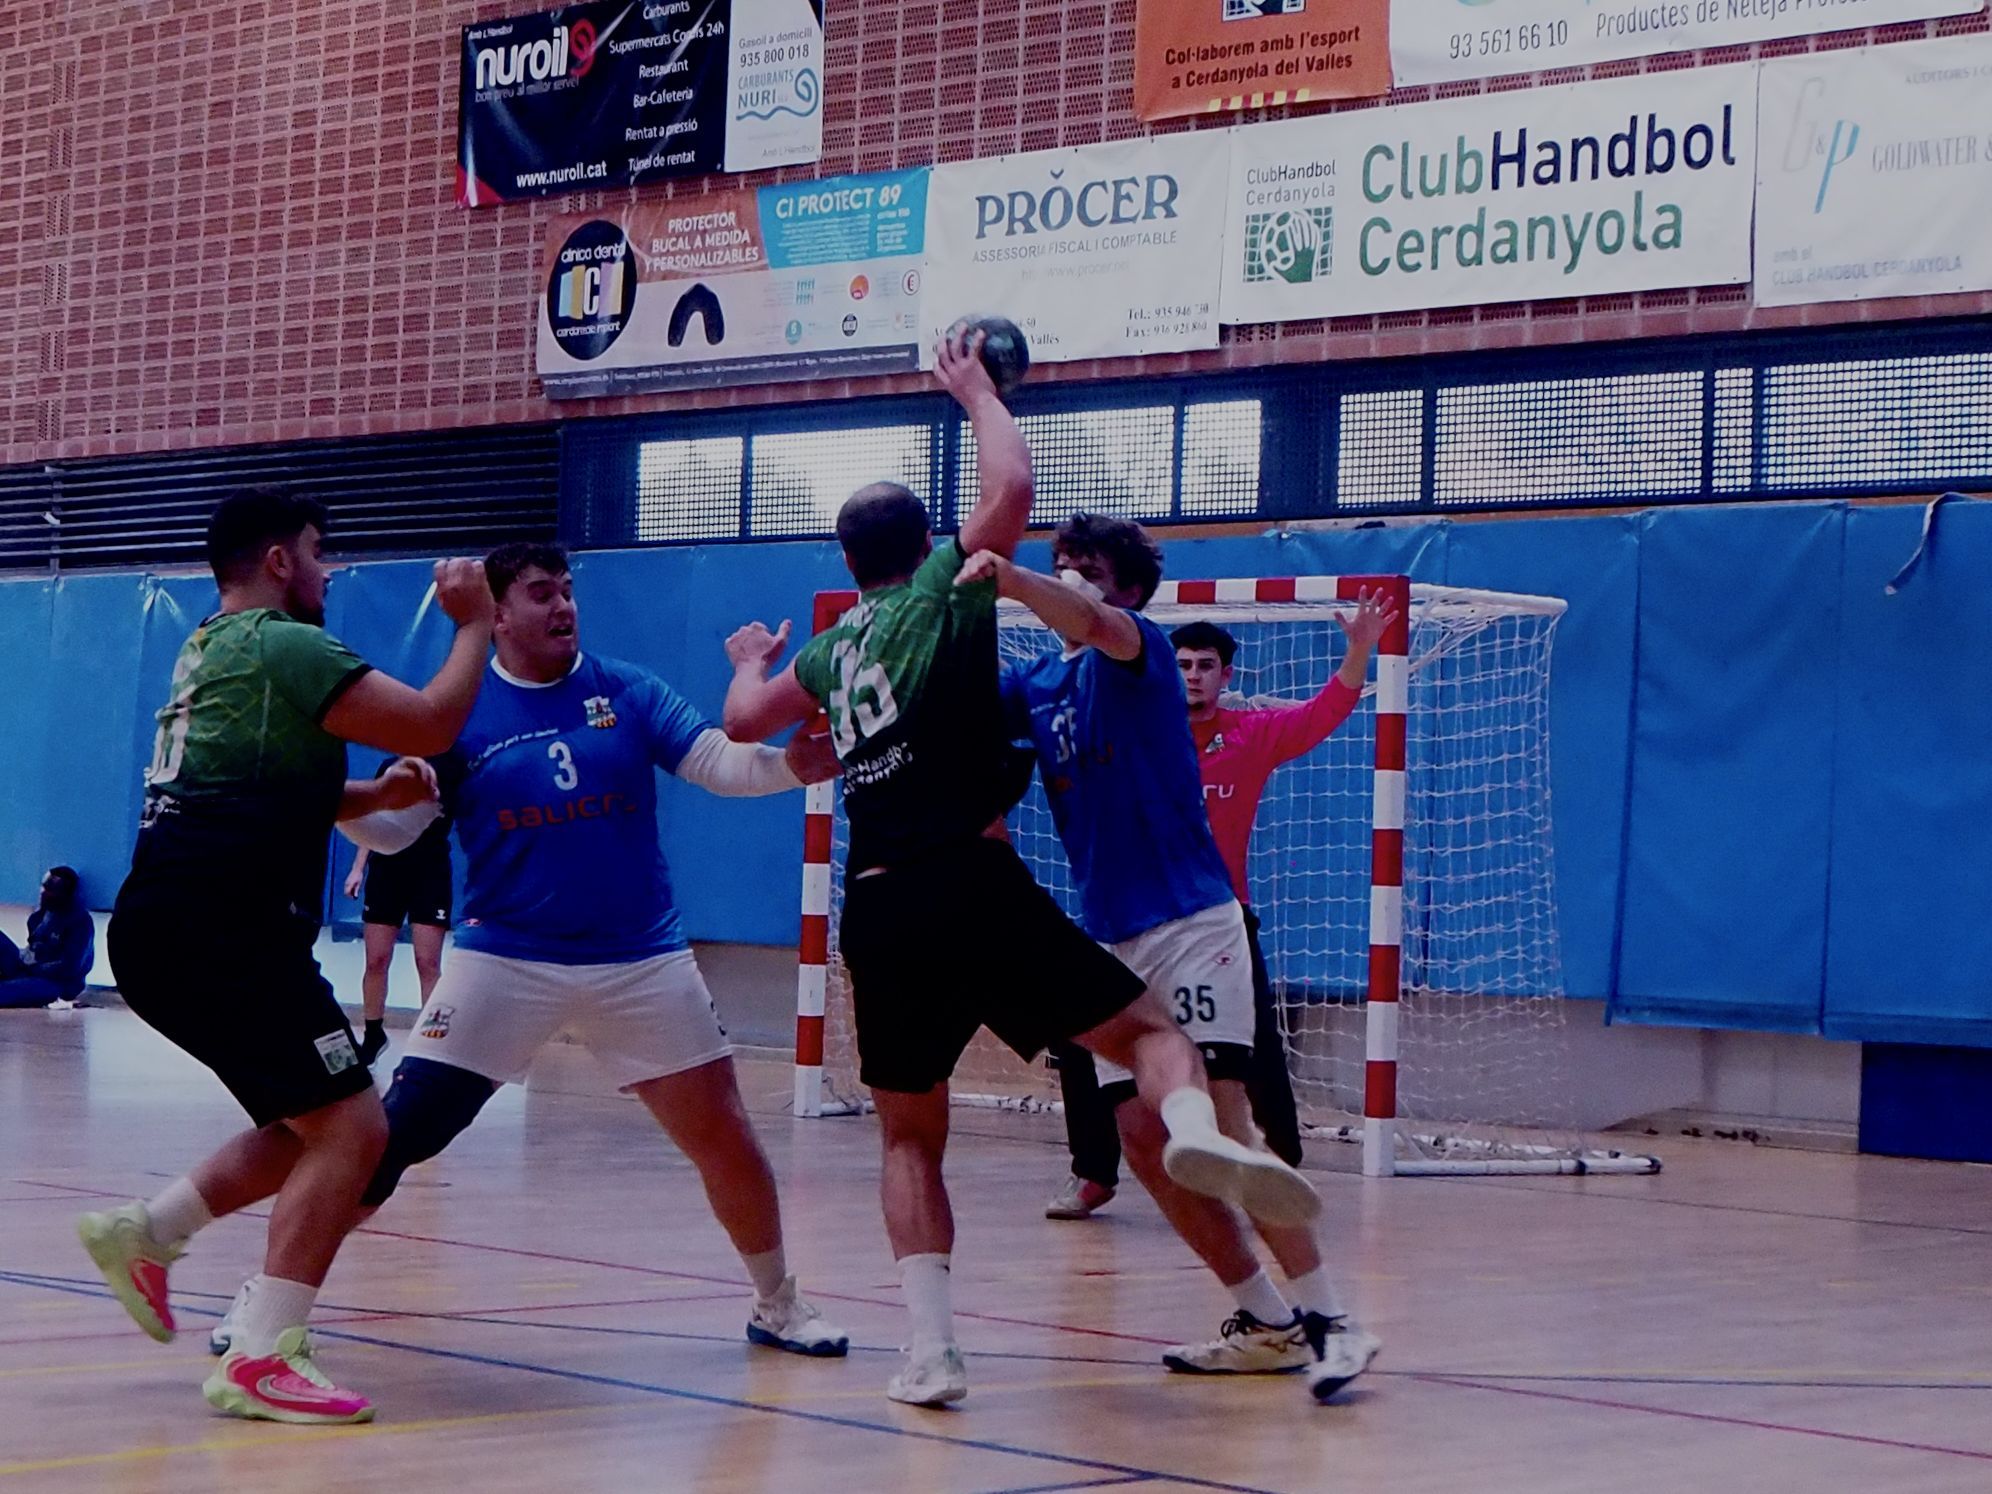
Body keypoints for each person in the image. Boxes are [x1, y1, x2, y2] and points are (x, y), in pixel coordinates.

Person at [721, 329, 1318, 1409]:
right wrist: (975, 390)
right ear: (927, 546)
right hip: (972, 882)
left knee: (909, 1135)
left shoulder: (832, 649)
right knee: (1149, 1037)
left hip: (876, 905)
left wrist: (752, 663)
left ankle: (932, 1351)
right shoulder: (942, 595)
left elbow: (748, 724)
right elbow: (1014, 484)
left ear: (845, 563)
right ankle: (1193, 1135)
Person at [204, 540, 850, 1365]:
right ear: (497, 614)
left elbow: (716, 762)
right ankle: (266, 1301)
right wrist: (333, 799)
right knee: (390, 1138)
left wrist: (789, 765)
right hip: (502, 962)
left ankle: (778, 1304)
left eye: (568, 592)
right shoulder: (453, 713)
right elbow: (394, 826)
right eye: (542, 594)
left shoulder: (625, 689)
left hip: (638, 960)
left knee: (724, 1136)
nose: (563, 607)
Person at [76, 487, 495, 1426]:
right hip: (221, 925)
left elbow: (262, 789)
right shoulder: (287, 644)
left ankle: (147, 1233)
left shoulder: (210, 648)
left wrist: (365, 794)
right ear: (277, 561)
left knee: (317, 1123)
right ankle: (264, 1355)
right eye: (316, 549)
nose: (327, 568)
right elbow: (431, 721)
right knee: (356, 1131)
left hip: (176, 924)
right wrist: (475, 625)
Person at [958, 513, 1381, 1403]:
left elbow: (1091, 623)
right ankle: (1265, 1318)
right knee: (1139, 1140)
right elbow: (955, 714)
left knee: (1228, 1127)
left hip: (1193, 918)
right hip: (1108, 931)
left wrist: (1022, 581)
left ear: (1127, 589)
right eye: (1060, 562)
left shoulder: (1136, 648)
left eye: (1089, 569)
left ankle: (1333, 1321)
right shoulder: (1035, 685)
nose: (1070, 576)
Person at [1043, 601, 1395, 1219]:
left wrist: (1360, 649)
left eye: (1207, 666)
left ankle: (1278, 1168)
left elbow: (1324, 713)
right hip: (1129, 922)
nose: (1194, 675)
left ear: (1227, 676)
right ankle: (1094, 1174)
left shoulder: (1251, 735)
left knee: (1253, 1051)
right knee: (1080, 1038)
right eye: (1182, 664)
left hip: (1219, 922)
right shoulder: (1134, 732)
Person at [342, 755, 455, 1066]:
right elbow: (372, 819)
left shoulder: (452, 765)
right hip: (386, 870)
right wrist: (357, 869)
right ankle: (374, 1034)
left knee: (427, 961)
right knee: (377, 958)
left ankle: (429, 1044)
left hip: (430, 871)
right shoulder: (394, 766)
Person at [0, 866, 95, 1009]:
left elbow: (70, 966)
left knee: (6, 991)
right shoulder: (37, 917)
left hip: (57, 983)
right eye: (44, 887)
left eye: (50, 889)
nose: (43, 892)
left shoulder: (80, 922)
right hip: (29, 970)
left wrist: (33, 968)